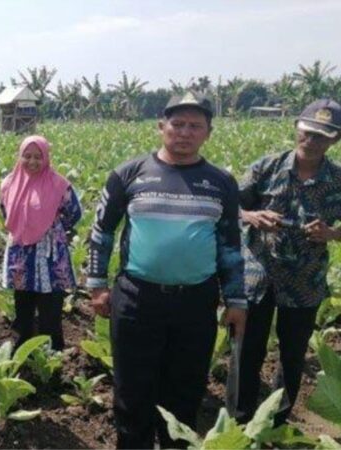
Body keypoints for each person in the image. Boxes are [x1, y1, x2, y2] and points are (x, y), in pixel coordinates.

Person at [86, 93, 247, 448]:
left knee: (185, 392)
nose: (185, 132)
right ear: (161, 127)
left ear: (208, 133)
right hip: (137, 299)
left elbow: (232, 244)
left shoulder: (221, 182)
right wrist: (97, 285)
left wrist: (237, 298)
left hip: (195, 302)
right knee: (132, 392)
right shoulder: (129, 174)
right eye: (177, 124)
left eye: (195, 126)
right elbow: (101, 231)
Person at [236, 98, 341, 425]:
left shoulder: (337, 179)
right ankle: (241, 419)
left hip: (304, 281)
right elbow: (231, 207)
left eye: (322, 136)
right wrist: (253, 216)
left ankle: (276, 421)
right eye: (307, 132)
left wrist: (332, 234)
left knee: (292, 355)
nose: (311, 141)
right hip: (258, 277)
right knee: (247, 351)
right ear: (297, 127)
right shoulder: (266, 167)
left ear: (335, 139)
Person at [0, 135, 82, 351]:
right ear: (20, 157)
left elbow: (74, 212)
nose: (33, 161)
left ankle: (53, 360)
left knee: (50, 311)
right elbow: (4, 211)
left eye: (38, 156)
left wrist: (51, 226)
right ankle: (22, 356)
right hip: (21, 255)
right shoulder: (8, 183)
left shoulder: (59, 184)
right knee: (22, 308)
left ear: (46, 158)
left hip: (50, 255)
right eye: (27, 156)